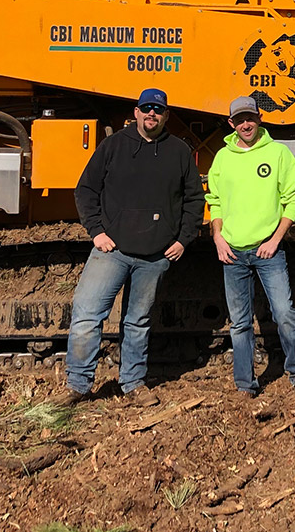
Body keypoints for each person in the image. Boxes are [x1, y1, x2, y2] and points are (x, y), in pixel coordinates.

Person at [64, 87, 204, 405]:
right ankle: (78, 385)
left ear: (166, 115)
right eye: (146, 108)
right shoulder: (113, 145)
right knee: (87, 315)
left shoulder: (179, 152)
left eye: (158, 109)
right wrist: (97, 232)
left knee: (138, 322)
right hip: (111, 251)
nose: (152, 113)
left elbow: (194, 199)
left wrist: (183, 239)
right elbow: (85, 189)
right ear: (136, 112)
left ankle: (133, 383)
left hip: (155, 255)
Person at [207, 94, 295, 397]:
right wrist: (217, 237)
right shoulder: (222, 158)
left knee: (285, 314)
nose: (245, 124)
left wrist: (275, 240)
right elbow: (214, 202)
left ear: (259, 118)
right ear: (231, 123)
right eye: (239, 120)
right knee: (239, 324)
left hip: (269, 251)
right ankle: (245, 385)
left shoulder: (278, 154)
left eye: (249, 118)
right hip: (232, 254)